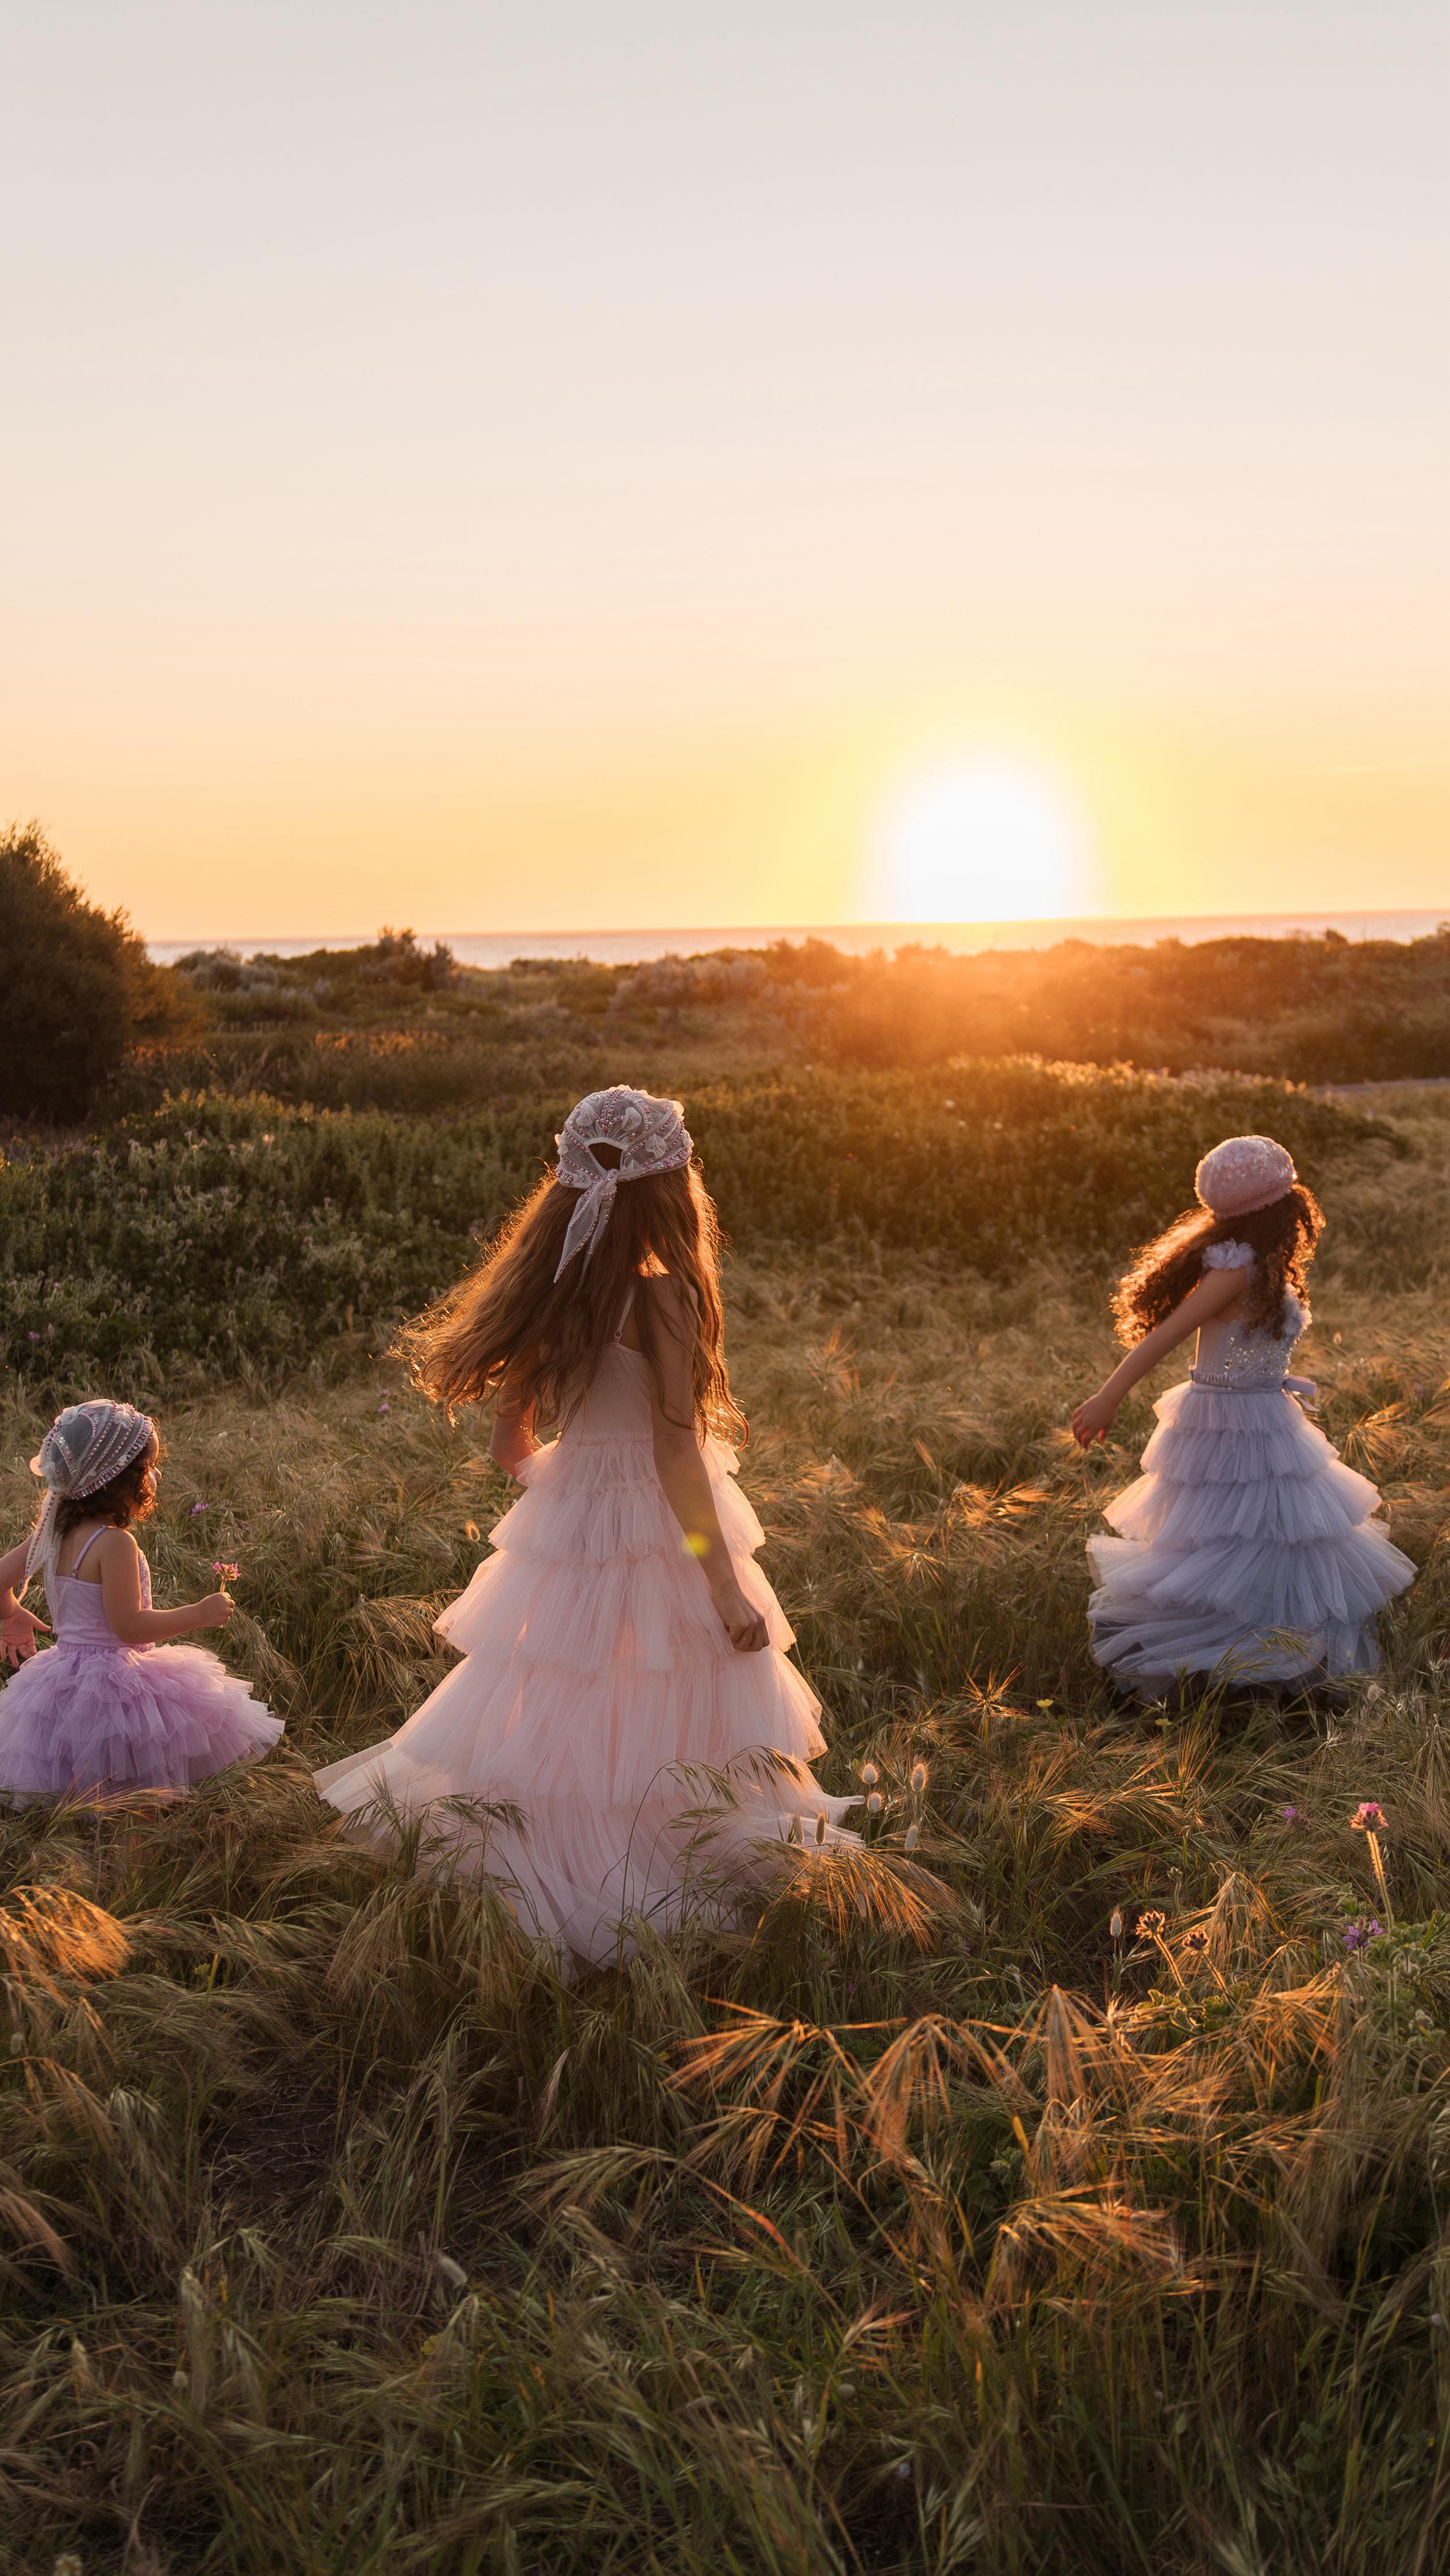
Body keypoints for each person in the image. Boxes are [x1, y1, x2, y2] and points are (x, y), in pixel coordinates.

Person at [314, 1084, 856, 1961]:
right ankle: (651, 1867)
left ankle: (553, 1861)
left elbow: (508, 1446)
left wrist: (572, 1496)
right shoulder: (664, 1297)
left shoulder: (550, 1291)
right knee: (679, 1700)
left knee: (566, 1704)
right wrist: (719, 1581)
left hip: (568, 1524)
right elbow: (677, 1455)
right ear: (671, 1190)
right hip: (666, 1523)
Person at [1072, 1133, 1414, 1701]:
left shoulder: (1262, 1265)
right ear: (1280, 1211)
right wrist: (1109, 1396)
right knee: (1232, 1543)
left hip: (1263, 1413)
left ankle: (1274, 1666)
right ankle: (1227, 1668)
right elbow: (1165, 1337)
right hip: (1225, 1422)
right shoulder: (1233, 1269)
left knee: (1280, 1540)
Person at [0, 1400, 282, 1799]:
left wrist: (10, 1614)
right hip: (115, 1687)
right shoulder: (115, 1543)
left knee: (86, 1798)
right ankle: (132, 1860)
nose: (155, 1479)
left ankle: (90, 1859)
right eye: (147, 1470)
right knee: (135, 1799)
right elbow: (130, 1627)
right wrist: (199, 1614)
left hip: (61, 1686)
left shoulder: (53, 1535)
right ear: (119, 1479)